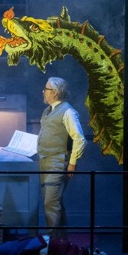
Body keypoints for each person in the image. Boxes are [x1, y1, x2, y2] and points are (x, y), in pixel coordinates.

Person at [37, 76, 87, 241]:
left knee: (51, 203)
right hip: (45, 161)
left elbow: (80, 139)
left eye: (46, 89)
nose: (43, 92)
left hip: (57, 162)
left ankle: (52, 242)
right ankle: (62, 242)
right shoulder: (47, 111)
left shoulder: (67, 111)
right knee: (54, 203)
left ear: (55, 92)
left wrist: (72, 163)